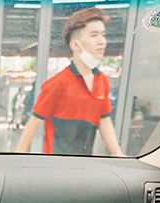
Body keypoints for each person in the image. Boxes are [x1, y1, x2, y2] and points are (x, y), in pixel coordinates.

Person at [16, 7, 125, 156]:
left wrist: (118, 154)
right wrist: (19, 155)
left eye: (103, 35)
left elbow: (104, 120)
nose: (102, 41)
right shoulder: (57, 84)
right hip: (56, 163)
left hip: (85, 163)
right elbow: (34, 121)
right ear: (75, 45)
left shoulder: (102, 82)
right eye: (94, 35)